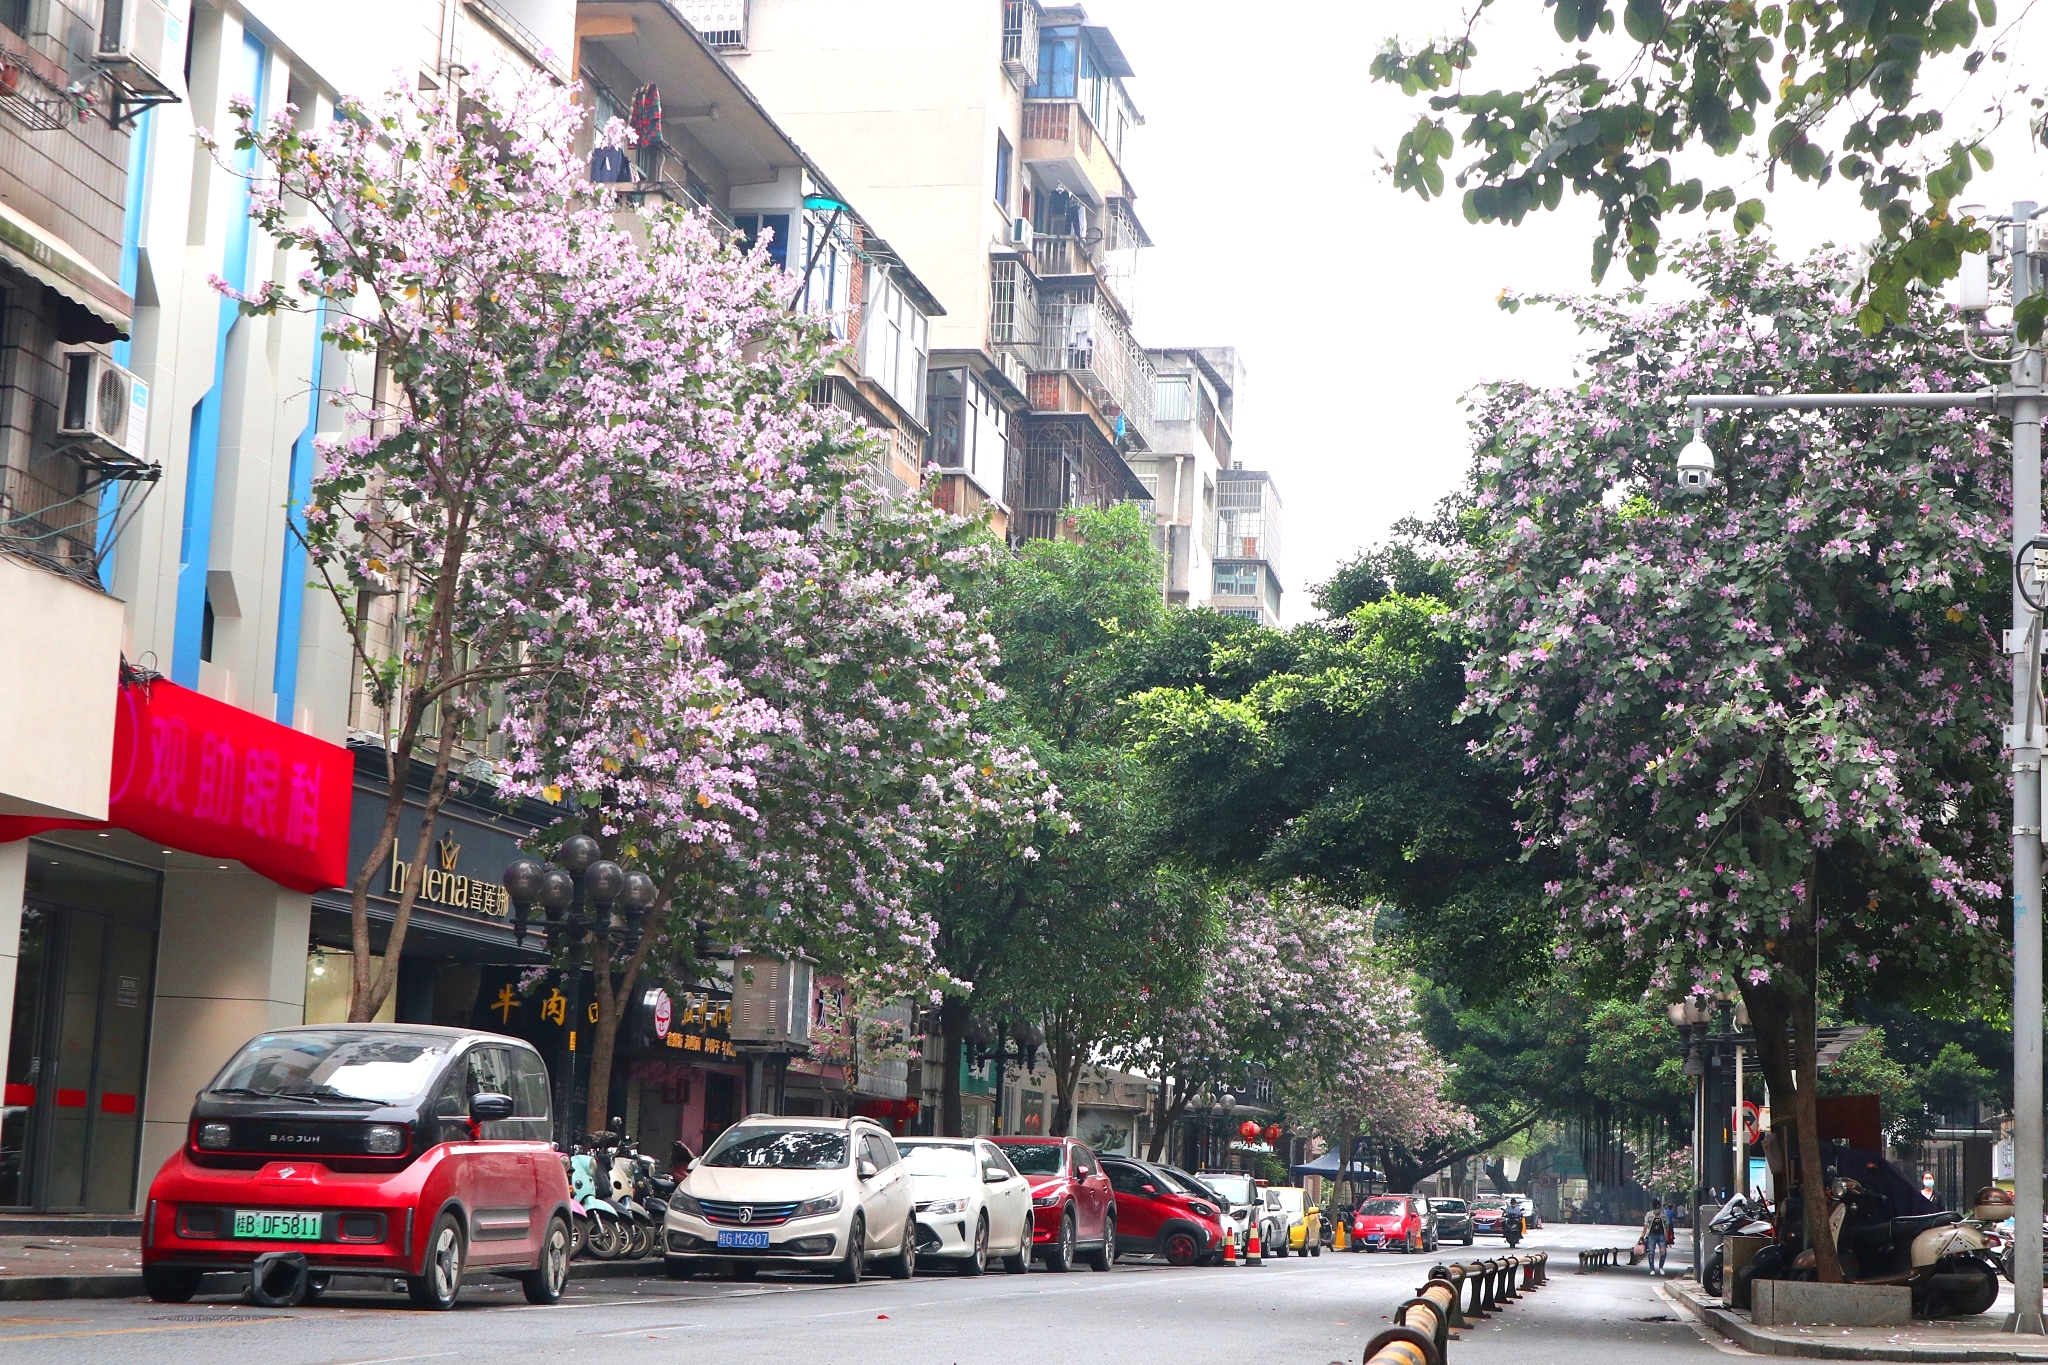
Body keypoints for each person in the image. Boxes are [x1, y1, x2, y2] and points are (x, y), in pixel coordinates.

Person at [1642, 1203, 1670, 1276]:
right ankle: (1652, 1269)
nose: (1657, 1209)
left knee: (1663, 1251)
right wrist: (1643, 1235)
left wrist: (1666, 1235)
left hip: (1661, 1235)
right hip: (1651, 1235)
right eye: (1656, 1208)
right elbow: (1645, 1225)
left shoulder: (1664, 1215)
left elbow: (1667, 1225)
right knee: (1651, 1252)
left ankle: (1661, 1267)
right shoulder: (1649, 1214)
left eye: (1658, 1207)